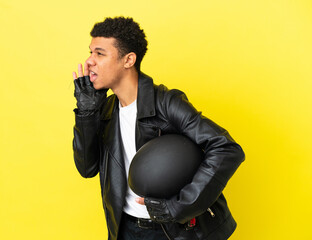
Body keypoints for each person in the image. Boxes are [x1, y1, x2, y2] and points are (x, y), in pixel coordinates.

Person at [72, 17, 245, 240]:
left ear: (128, 60)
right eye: (90, 52)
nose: (89, 61)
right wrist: (86, 114)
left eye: (99, 53)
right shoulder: (106, 110)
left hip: (172, 230)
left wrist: (178, 207)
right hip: (125, 228)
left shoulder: (165, 102)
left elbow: (227, 148)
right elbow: (87, 168)